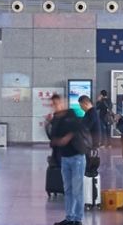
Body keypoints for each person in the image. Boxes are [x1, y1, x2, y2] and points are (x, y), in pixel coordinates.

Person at [48, 93, 87, 225]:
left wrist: (66, 138)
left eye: (57, 103)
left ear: (63, 103)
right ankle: (70, 217)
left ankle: (78, 219)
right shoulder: (55, 118)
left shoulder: (71, 114)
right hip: (65, 158)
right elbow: (53, 137)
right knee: (68, 190)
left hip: (77, 157)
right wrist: (48, 124)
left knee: (77, 190)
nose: (56, 106)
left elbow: (77, 128)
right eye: (53, 104)